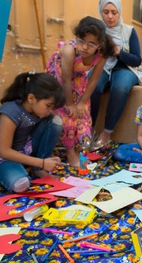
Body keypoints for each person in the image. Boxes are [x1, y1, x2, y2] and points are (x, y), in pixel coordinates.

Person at [46, 16, 116, 167]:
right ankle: (70, 153)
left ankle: (79, 150)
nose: (85, 47)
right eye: (81, 41)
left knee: (84, 115)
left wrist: (82, 102)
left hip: (78, 77)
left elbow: (93, 80)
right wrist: (71, 104)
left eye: (91, 44)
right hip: (59, 77)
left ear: (99, 45)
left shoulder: (102, 53)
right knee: (67, 115)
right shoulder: (69, 50)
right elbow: (65, 80)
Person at [0, 72, 66, 193]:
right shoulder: (10, 113)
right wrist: (41, 162)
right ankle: (33, 167)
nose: (50, 110)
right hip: (7, 159)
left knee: (55, 121)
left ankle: (37, 169)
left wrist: (42, 162)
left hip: (26, 150)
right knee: (21, 184)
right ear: (31, 98)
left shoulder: (38, 112)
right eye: (48, 106)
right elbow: (3, 151)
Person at [90, 0, 142, 150]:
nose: (110, 17)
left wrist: (119, 52)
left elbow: (137, 60)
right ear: (100, 12)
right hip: (102, 65)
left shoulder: (129, 31)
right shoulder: (96, 31)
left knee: (120, 88)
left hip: (124, 67)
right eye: (106, 12)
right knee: (92, 86)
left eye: (114, 12)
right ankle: (89, 129)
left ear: (119, 12)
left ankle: (107, 132)